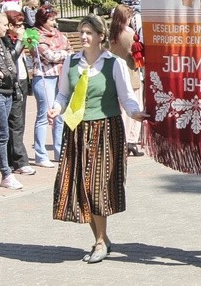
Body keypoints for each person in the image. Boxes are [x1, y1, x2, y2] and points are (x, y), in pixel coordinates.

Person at [49, 14, 147, 263]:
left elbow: (126, 97)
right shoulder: (71, 62)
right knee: (82, 187)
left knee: (97, 187)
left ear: (101, 36)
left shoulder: (114, 64)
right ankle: (101, 239)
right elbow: (63, 95)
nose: (84, 36)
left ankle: (100, 242)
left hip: (106, 129)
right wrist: (56, 109)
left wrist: (135, 113)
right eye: (82, 32)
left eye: (89, 32)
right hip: (76, 130)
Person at [32, 5, 72, 167]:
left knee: (60, 114)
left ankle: (59, 150)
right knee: (44, 115)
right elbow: (49, 56)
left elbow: (71, 49)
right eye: (51, 19)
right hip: (44, 78)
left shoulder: (59, 35)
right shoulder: (35, 36)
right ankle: (41, 155)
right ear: (43, 20)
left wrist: (63, 54)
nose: (54, 22)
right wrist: (64, 54)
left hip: (61, 76)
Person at [0, 10, 23, 190]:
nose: (6, 27)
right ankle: (6, 173)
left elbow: (12, 58)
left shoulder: (2, 42)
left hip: (7, 92)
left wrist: (19, 40)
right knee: (3, 134)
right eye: (3, 24)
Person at [108, 5, 144, 157]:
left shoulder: (111, 34)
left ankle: (120, 139)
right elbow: (138, 56)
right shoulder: (130, 35)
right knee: (134, 107)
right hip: (130, 73)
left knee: (121, 109)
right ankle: (130, 141)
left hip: (114, 74)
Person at [3, 11, 35, 176]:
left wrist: (29, 40)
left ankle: (12, 157)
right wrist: (21, 41)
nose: (22, 28)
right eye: (18, 25)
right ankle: (20, 161)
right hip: (12, 84)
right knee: (16, 123)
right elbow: (10, 58)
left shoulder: (19, 39)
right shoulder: (6, 41)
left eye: (23, 25)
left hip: (22, 81)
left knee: (19, 122)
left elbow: (28, 49)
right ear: (9, 27)